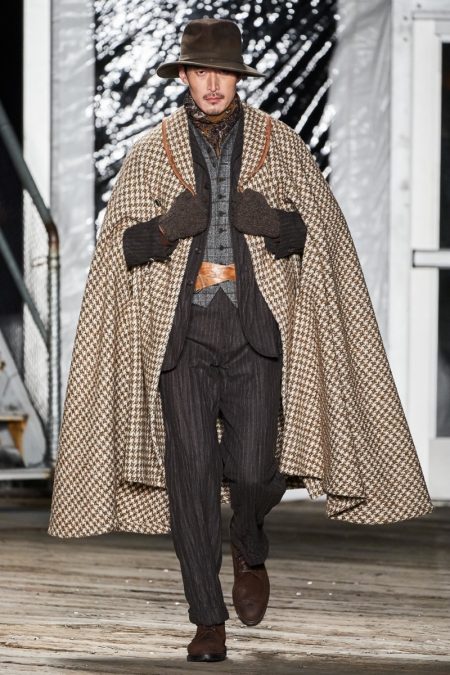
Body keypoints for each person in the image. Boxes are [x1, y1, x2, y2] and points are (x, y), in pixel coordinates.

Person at [48, 17, 433, 665]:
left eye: (223, 72)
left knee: (256, 467)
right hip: (182, 339)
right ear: (184, 76)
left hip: (255, 332)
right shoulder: (151, 152)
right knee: (192, 477)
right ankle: (207, 620)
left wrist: (275, 223)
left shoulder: (280, 145)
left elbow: (318, 234)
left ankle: (249, 539)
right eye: (201, 71)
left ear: (238, 78)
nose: (212, 84)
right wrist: (166, 230)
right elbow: (123, 248)